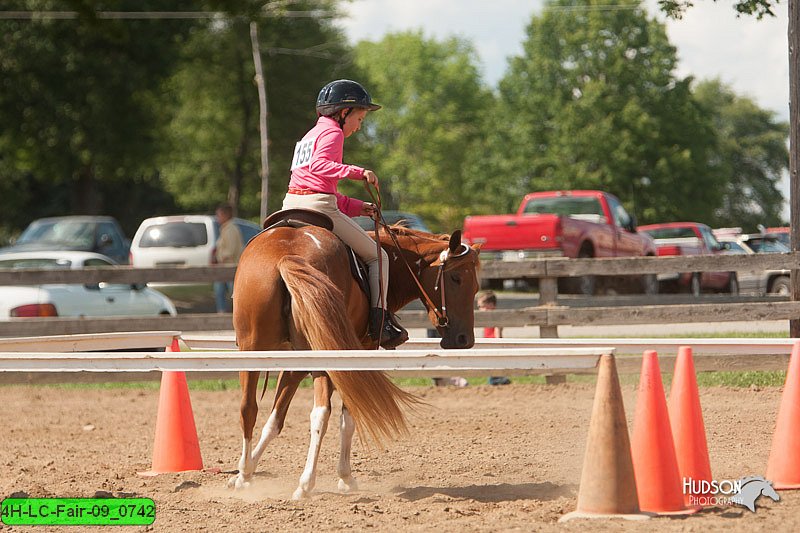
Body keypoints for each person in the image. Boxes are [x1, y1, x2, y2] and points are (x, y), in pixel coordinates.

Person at [281, 79, 408, 349]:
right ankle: (380, 324)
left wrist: (357, 206)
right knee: (379, 256)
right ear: (343, 113)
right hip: (317, 207)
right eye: (359, 118)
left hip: (290, 204)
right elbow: (320, 166)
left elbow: (315, 182)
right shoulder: (334, 134)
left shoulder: (309, 135)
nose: (360, 125)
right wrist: (358, 171)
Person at [214, 203, 244, 313]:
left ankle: (234, 313)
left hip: (230, 266)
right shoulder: (226, 228)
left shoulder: (230, 229)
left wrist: (221, 257)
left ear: (225, 215)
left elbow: (230, 250)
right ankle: (223, 312)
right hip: (225, 266)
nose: (217, 218)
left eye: (219, 215)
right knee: (221, 291)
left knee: (232, 293)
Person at [477, 290, 511, 386]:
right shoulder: (486, 319)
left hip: (494, 346)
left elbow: (497, 333)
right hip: (488, 346)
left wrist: (498, 345)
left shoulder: (495, 318)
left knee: (495, 369)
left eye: (482, 307)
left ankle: (501, 381)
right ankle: (499, 381)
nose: (480, 310)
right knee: (491, 369)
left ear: (491, 305)